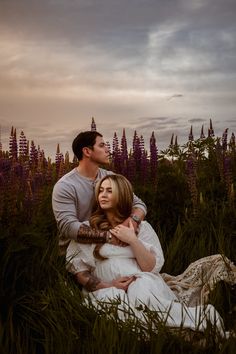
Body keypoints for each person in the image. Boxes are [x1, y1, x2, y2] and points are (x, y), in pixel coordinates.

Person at [66, 174, 236, 334]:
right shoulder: (87, 229)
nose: (102, 195)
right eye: (101, 190)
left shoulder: (142, 227)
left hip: (140, 279)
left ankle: (202, 319)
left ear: (123, 195)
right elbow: (81, 273)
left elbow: (150, 267)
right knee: (113, 299)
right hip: (105, 286)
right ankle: (153, 334)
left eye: (109, 191)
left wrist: (133, 240)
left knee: (142, 291)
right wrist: (110, 285)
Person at [52, 131, 147, 255]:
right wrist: (109, 237)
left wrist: (132, 222)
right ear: (87, 151)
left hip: (113, 246)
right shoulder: (65, 186)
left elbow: (139, 205)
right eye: (102, 146)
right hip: (78, 252)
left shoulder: (110, 177)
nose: (108, 150)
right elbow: (68, 227)